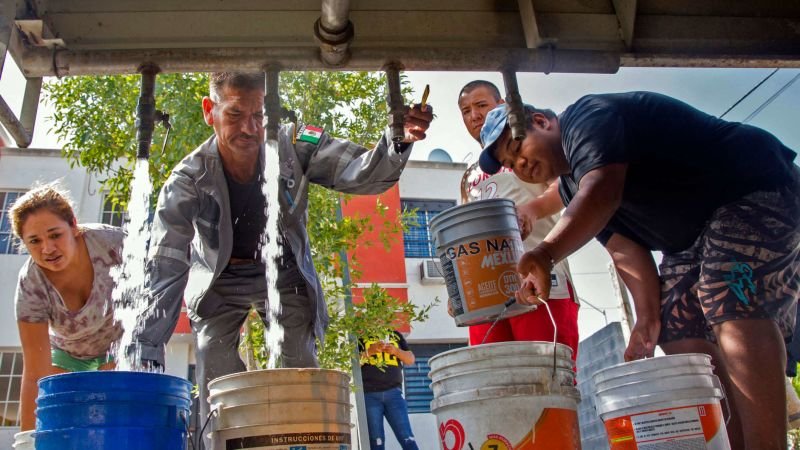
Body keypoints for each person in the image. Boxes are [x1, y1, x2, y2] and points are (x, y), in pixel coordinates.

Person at [478, 91, 800, 449]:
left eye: (517, 147)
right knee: (673, 325)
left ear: (541, 122)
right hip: (692, 236)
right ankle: (732, 442)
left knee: (725, 294)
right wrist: (646, 319)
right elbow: (625, 250)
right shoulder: (572, 190)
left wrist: (545, 253)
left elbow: (603, 191)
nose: (520, 164)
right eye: (511, 163)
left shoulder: (586, 118)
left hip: (749, 184)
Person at [130, 72, 433, 446]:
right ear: (210, 111)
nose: (250, 128)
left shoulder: (296, 144)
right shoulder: (187, 179)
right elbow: (166, 262)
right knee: (216, 374)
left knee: (298, 368)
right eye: (235, 114)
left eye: (259, 115)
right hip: (219, 281)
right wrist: (146, 349)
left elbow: (362, 172)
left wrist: (398, 138)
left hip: (285, 272)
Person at [457, 80, 579, 361]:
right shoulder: (469, 174)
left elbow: (565, 187)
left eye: (481, 105)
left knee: (549, 373)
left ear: (502, 105)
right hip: (487, 298)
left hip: (541, 283)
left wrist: (532, 210)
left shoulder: (530, 145)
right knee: (493, 378)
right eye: (466, 111)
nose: (474, 115)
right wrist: (460, 291)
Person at [10, 183, 124, 431]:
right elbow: (34, 374)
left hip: (118, 342)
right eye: (34, 241)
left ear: (73, 225)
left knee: (111, 414)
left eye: (55, 235)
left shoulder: (113, 244)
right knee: (55, 421)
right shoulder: (31, 285)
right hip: (68, 350)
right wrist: (27, 439)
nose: (47, 249)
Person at [359, 330, 419, 450]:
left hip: (394, 394)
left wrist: (396, 351)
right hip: (369, 395)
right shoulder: (361, 336)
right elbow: (352, 364)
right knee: (376, 441)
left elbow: (410, 359)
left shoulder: (395, 335)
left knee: (407, 438)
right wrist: (369, 352)